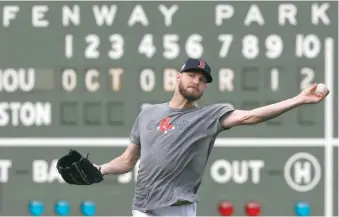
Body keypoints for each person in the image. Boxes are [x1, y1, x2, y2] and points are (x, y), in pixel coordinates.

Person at [95, 58, 329, 216]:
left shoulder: (207, 116)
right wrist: (100, 169)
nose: (196, 81)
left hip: (176, 209)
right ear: (178, 77)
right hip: (141, 209)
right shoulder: (148, 114)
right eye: (192, 75)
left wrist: (298, 100)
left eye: (202, 79)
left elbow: (249, 116)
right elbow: (127, 161)